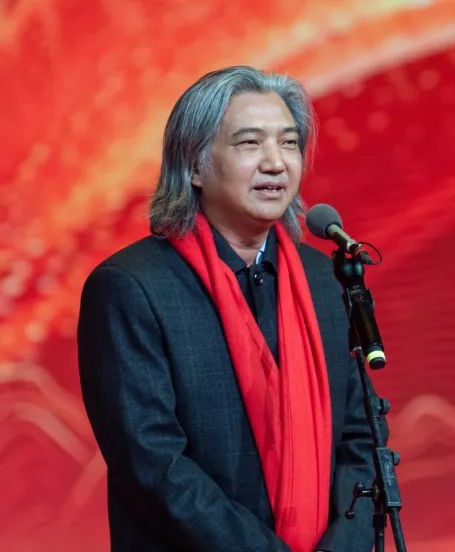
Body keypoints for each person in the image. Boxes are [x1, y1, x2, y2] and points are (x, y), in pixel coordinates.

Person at [77, 66, 378, 551]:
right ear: (195, 165)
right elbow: (152, 464)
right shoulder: (132, 288)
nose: (276, 163)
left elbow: (362, 439)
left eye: (289, 143)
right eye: (249, 143)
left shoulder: (325, 281)